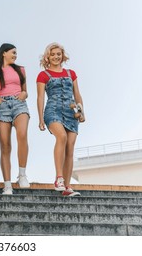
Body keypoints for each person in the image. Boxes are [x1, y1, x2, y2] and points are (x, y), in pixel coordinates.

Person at [36, 42, 85, 197]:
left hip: (71, 111)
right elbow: (40, 97)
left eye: (58, 54)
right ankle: (59, 178)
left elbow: (77, 94)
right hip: (53, 110)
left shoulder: (71, 73)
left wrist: (82, 111)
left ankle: (67, 187)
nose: (56, 57)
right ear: (47, 57)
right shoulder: (43, 75)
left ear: (62, 56)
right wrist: (40, 119)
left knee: (70, 148)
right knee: (61, 137)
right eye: (53, 54)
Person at [0, 43, 30, 195]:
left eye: (16, 53)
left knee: (22, 135)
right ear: (4, 53)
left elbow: (26, 91)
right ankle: (7, 184)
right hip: (2, 106)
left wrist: (23, 95)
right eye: (13, 52)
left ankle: (22, 175)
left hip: (19, 104)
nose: (15, 55)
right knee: (5, 145)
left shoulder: (20, 70)